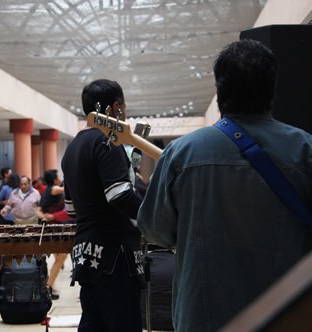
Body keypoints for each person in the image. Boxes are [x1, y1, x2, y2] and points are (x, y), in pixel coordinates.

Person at [138, 39, 312, 332]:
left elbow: (155, 230)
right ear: (272, 89)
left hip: (203, 317)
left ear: (219, 91)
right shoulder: (305, 150)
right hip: (288, 316)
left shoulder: (182, 153)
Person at [61, 79, 144, 331]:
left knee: (93, 324)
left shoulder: (72, 148)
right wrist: (153, 217)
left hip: (86, 254)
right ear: (115, 108)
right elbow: (119, 196)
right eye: (124, 107)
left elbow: (71, 209)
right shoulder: (108, 141)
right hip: (115, 256)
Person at [37, 169, 73, 300]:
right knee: (60, 258)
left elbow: (39, 211)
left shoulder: (46, 191)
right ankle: (49, 287)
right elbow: (66, 190)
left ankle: (49, 285)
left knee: (59, 259)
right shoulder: (53, 189)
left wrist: (45, 216)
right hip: (55, 229)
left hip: (52, 228)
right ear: (54, 179)